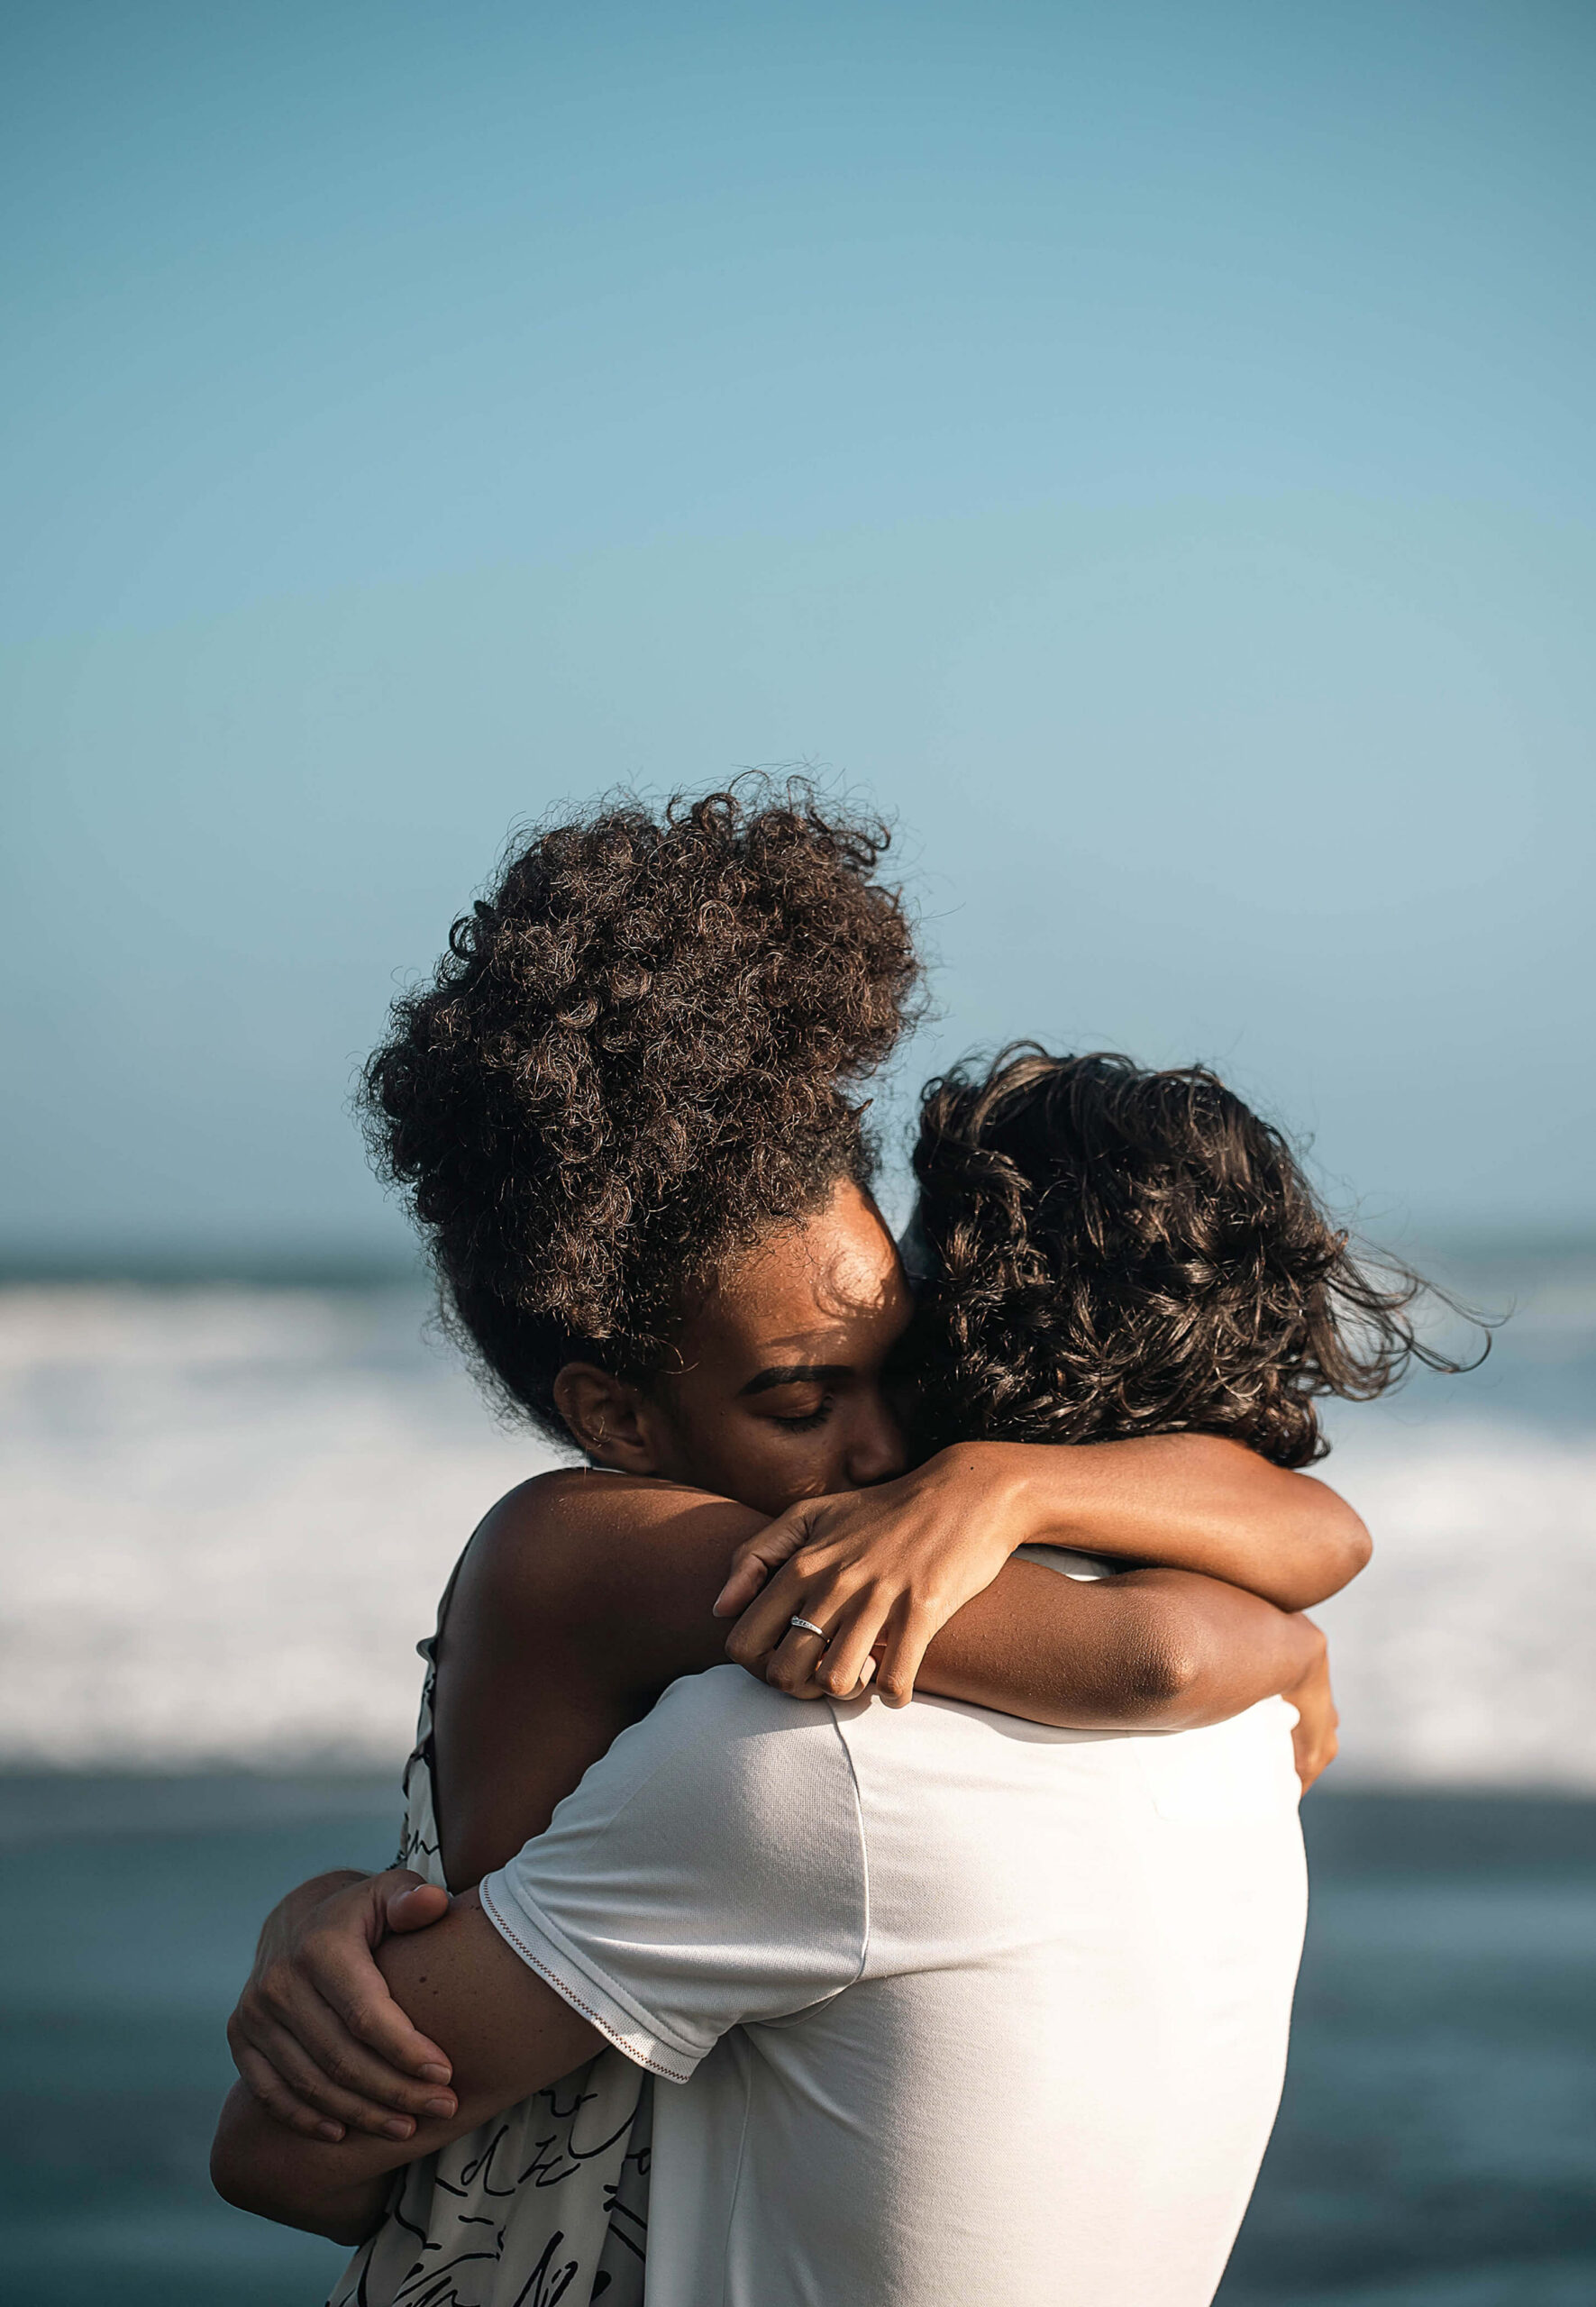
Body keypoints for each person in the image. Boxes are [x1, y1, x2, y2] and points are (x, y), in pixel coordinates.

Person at [209, 791, 1406, 2303]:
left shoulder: (776, 1604)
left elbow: (1298, 1544)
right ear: (613, 1416)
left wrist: (1003, 1482)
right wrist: (1283, 1646)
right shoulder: (597, 1554)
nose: (885, 1450)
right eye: (799, 1401)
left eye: (900, 1370)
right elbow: (1161, 1648)